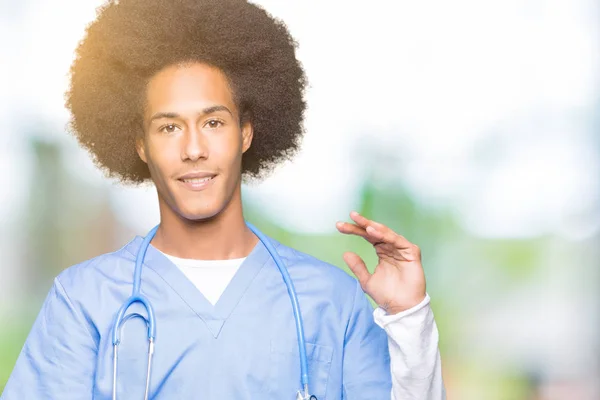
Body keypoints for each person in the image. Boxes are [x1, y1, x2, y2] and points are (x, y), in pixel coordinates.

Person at [1, 0, 445, 398]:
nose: (193, 148)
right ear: (140, 145)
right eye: (169, 127)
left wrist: (409, 318)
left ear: (246, 133)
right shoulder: (85, 301)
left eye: (213, 122)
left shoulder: (330, 300)